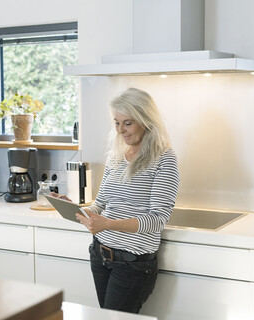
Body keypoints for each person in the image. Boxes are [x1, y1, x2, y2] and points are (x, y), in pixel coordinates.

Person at [76, 87, 180, 314]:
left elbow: (157, 220)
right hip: (100, 254)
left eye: (128, 123)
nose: (121, 130)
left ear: (145, 120)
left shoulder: (164, 159)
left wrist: (108, 224)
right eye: (117, 123)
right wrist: (76, 209)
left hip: (132, 264)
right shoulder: (116, 156)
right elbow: (100, 203)